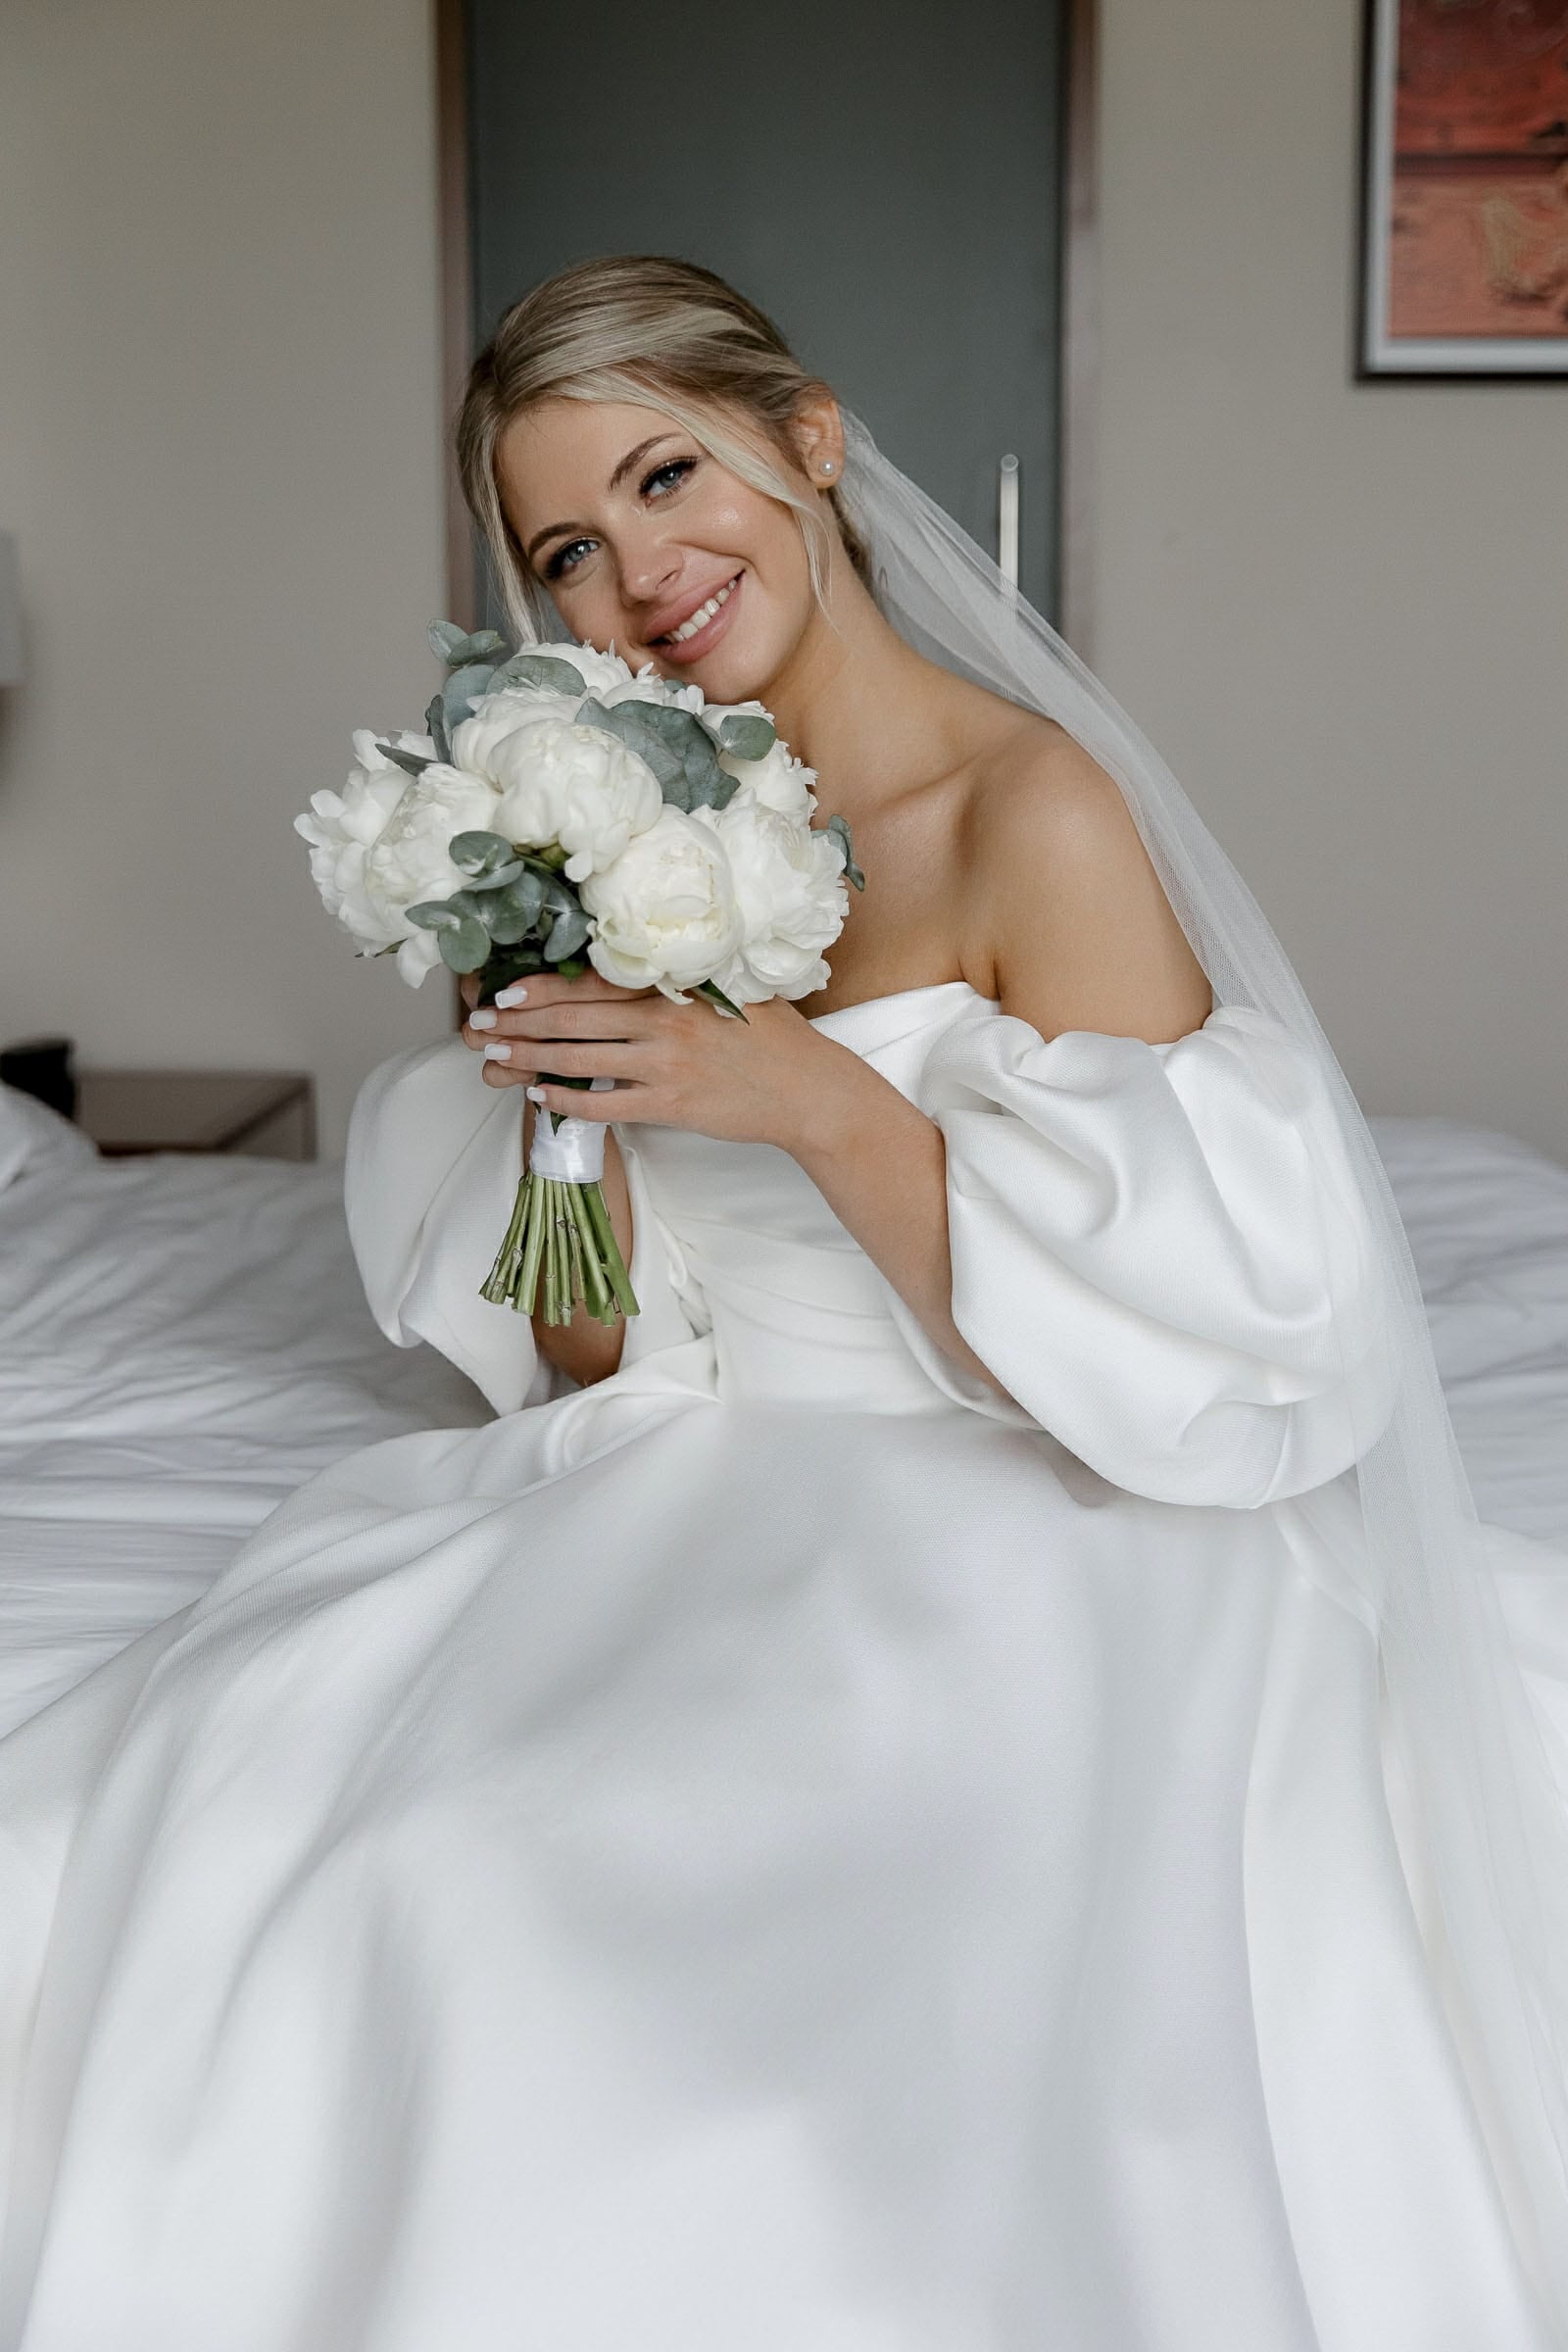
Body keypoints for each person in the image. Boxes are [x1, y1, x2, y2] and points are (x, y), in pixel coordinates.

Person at [1, 254, 1566, 2351]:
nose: (638, 575)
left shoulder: (1032, 819)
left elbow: (1174, 1350)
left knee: (867, 1966)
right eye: (568, 545)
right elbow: (574, 1349)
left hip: (1013, 1481)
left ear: (805, 446)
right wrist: (571, 1096)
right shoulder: (594, 822)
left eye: (668, 477)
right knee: (379, 1862)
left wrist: (809, 1097)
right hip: (659, 1462)